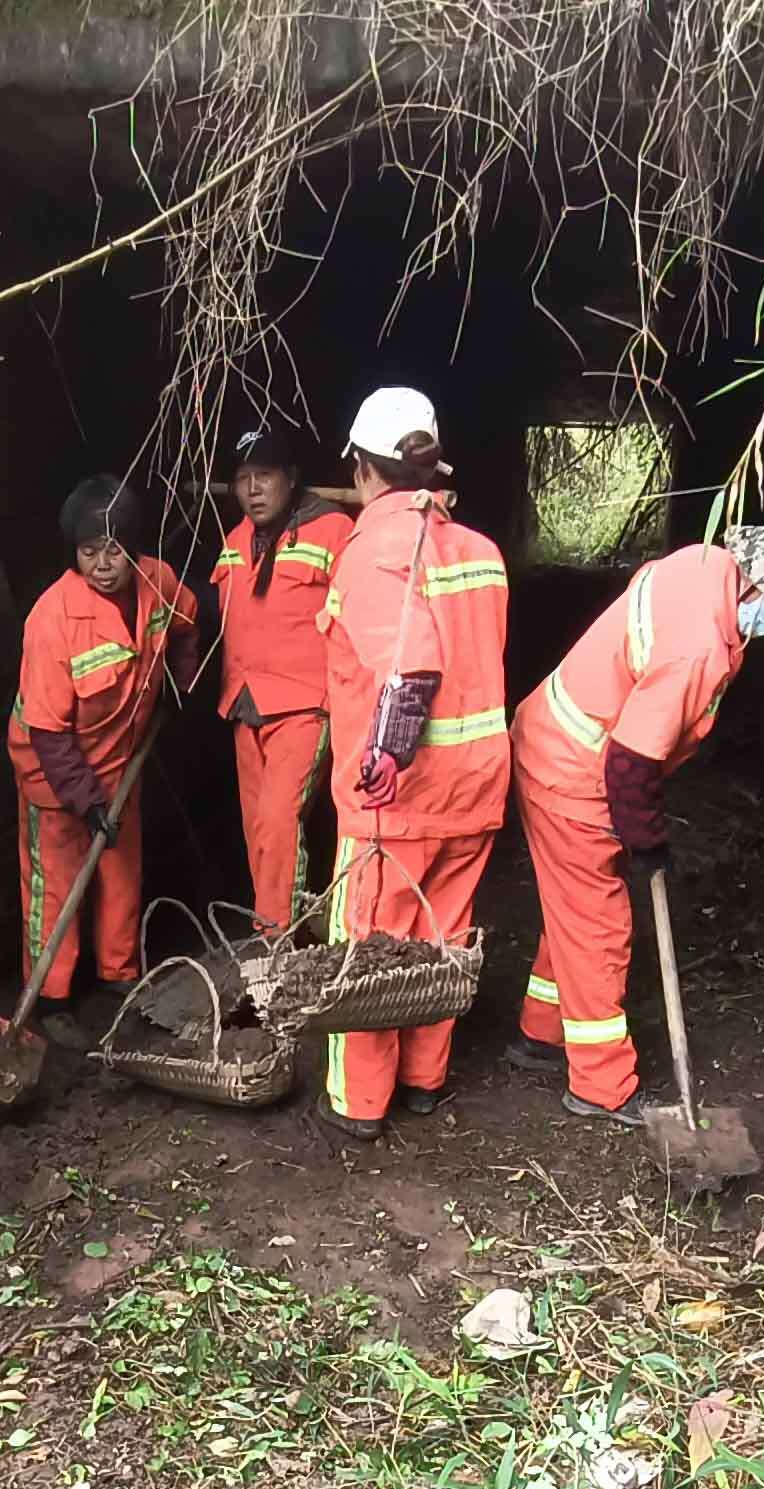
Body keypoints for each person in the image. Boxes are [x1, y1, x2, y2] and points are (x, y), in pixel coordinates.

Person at [508, 506, 764, 1123]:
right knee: (599, 926)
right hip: (575, 769)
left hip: (558, 735)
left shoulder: (705, 566)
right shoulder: (698, 648)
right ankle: (601, 1086)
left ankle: (540, 1034)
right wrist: (647, 841)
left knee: (573, 908)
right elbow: (629, 762)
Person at [315, 386, 511, 1141]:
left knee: (368, 950)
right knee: (442, 940)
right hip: (478, 783)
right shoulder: (482, 553)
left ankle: (359, 1104)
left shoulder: (372, 554)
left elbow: (415, 665)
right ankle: (426, 1080)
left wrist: (389, 753)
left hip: (397, 801)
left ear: (364, 472)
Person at [6, 475, 200, 1044]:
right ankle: (51, 997)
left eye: (114, 549)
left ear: (132, 546)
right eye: (90, 552)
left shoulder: (157, 582)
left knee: (120, 868)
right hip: (54, 771)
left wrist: (180, 684)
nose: (103, 564)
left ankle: (119, 976)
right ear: (75, 554)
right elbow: (47, 730)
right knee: (58, 881)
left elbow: (188, 626)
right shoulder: (52, 619)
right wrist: (86, 803)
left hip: (121, 759)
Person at [209, 427, 355, 929]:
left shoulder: (335, 531)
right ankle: (279, 925)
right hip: (243, 702)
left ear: (290, 479)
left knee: (277, 819)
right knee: (259, 830)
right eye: (243, 479)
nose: (252, 489)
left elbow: (362, 614)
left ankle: (272, 937)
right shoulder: (233, 543)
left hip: (305, 705)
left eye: (264, 476)